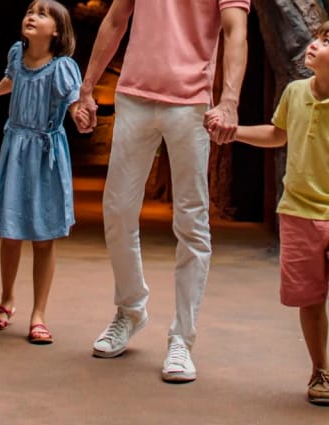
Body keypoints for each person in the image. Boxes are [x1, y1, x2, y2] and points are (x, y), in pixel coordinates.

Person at [68, 0, 252, 384]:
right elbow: (116, 18)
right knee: (117, 210)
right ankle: (131, 309)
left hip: (190, 104)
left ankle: (182, 337)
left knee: (191, 223)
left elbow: (236, 31)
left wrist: (230, 100)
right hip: (134, 96)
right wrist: (86, 89)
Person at [224, 18, 329, 419]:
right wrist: (235, 131)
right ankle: (320, 372)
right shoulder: (295, 93)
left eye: (326, 41)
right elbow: (278, 134)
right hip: (297, 213)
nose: (314, 44)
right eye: (317, 37)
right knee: (310, 299)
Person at [0, 0, 81, 345]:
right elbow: (11, 80)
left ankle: (39, 314)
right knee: (11, 229)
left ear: (58, 32)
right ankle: (6, 301)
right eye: (30, 11)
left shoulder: (62, 66)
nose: (31, 16)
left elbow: (75, 100)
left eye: (42, 14)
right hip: (15, 147)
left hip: (46, 154)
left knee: (44, 236)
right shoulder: (17, 54)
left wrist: (81, 113)